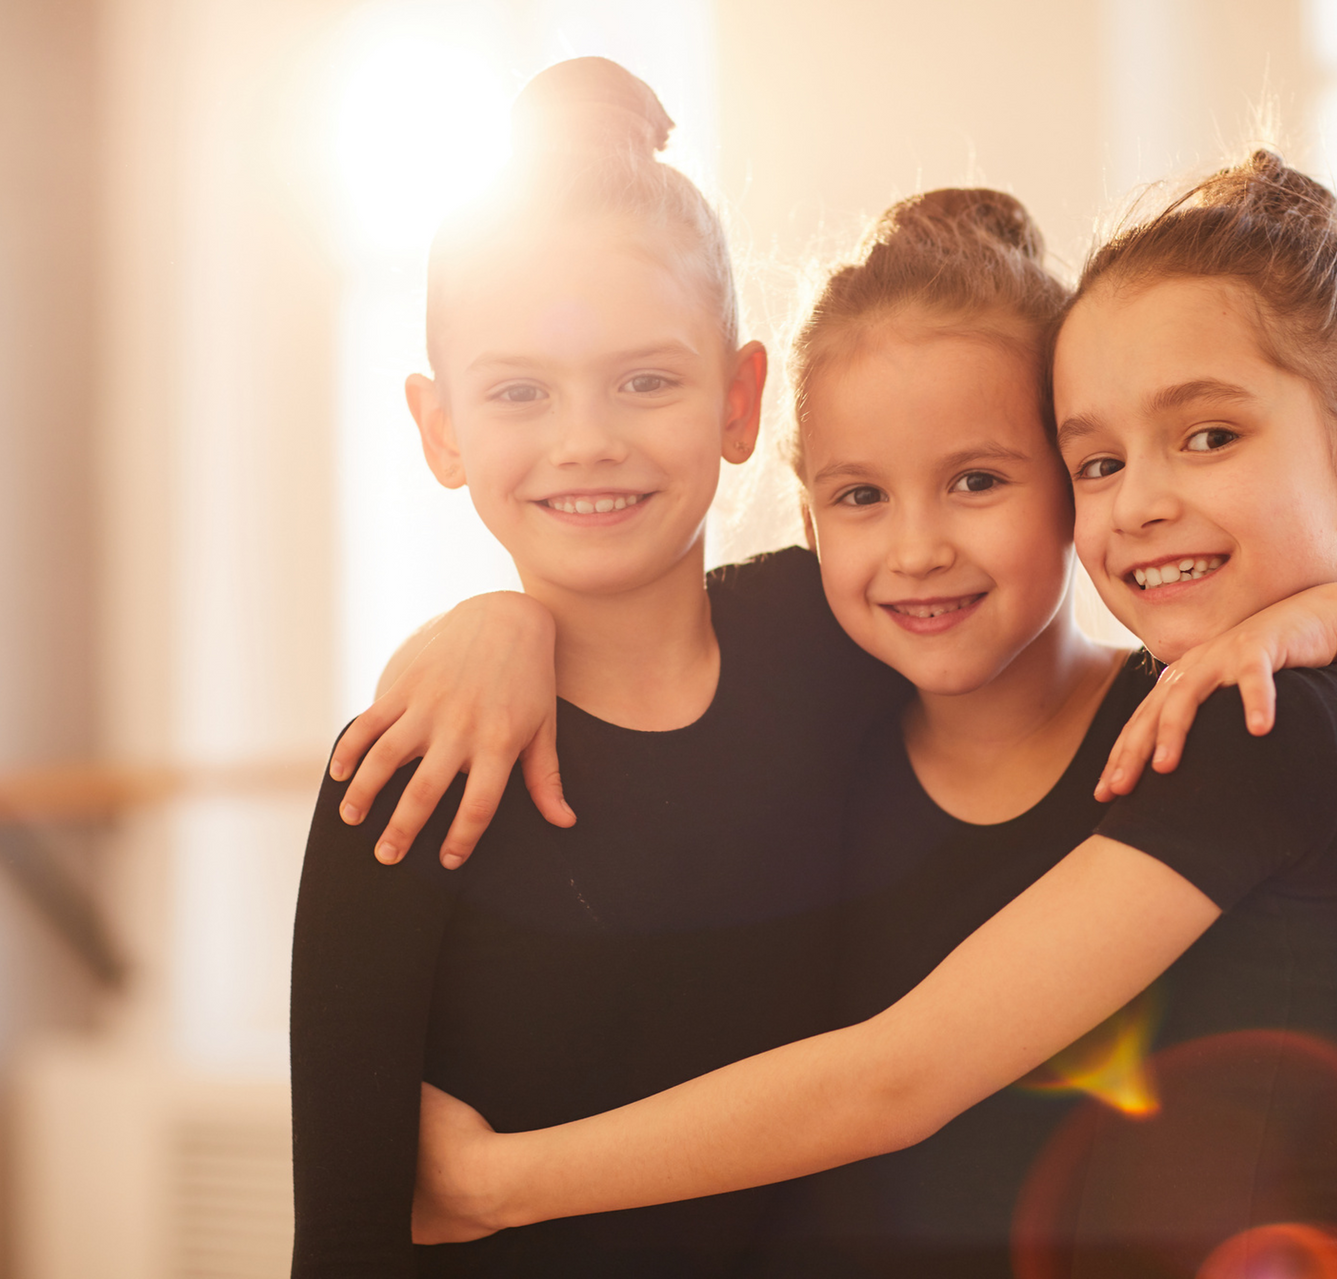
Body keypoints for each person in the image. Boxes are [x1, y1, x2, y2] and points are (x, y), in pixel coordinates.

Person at [392, 152, 1337, 1278]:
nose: (1143, 502)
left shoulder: (1274, 719)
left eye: (1208, 435)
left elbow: (902, 1075)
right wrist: (510, 620)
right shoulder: (1333, 697)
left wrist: (495, 1181)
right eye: (1104, 460)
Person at [287, 58, 912, 1277]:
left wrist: (1306, 627)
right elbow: (346, 1240)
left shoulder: (844, 635)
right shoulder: (403, 779)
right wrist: (501, 617)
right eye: (521, 390)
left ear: (740, 399)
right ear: (442, 429)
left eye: (647, 380)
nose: (589, 439)